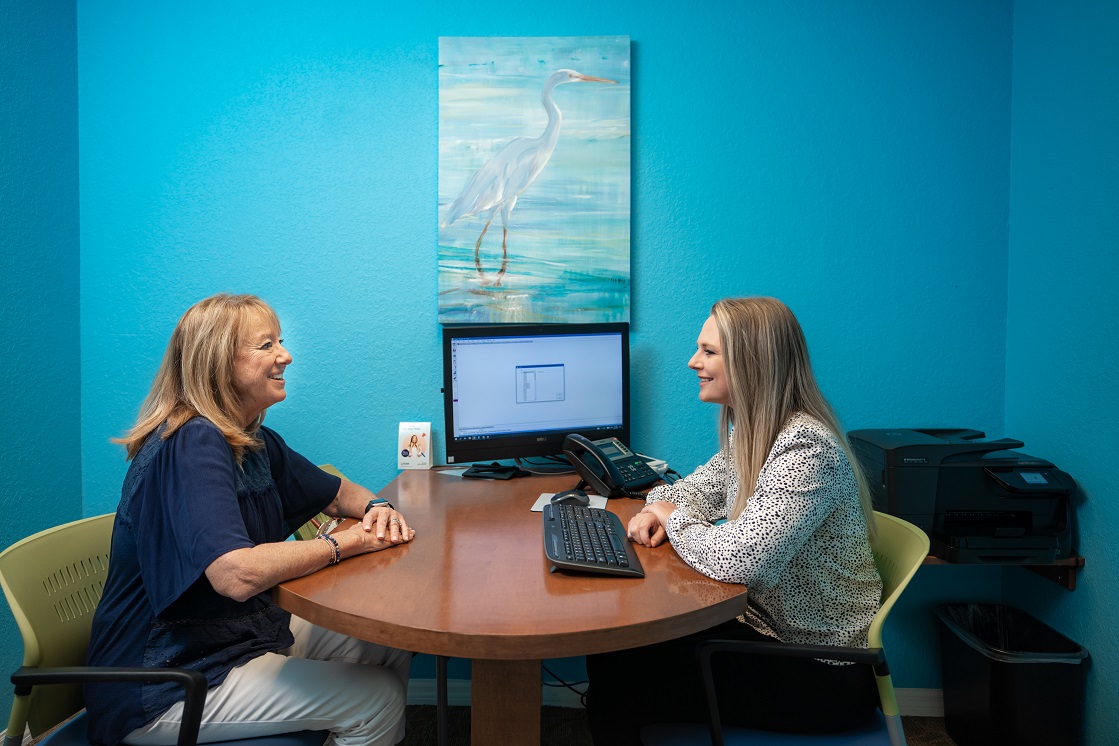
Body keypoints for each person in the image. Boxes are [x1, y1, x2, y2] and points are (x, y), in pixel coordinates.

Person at [85, 294, 417, 746]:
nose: (286, 355)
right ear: (218, 362)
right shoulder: (192, 444)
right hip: (165, 679)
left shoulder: (251, 438)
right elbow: (235, 575)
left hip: (234, 638)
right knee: (375, 698)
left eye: (280, 341)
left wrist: (379, 510)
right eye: (266, 346)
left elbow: (339, 495)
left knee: (382, 632)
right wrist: (348, 543)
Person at [586, 297, 883, 744]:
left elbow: (739, 560)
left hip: (821, 672)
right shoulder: (755, 430)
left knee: (621, 667)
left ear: (751, 360)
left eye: (708, 351)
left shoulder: (806, 449)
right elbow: (691, 491)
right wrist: (656, 508)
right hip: (765, 630)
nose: (693, 362)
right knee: (614, 650)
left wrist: (676, 521)